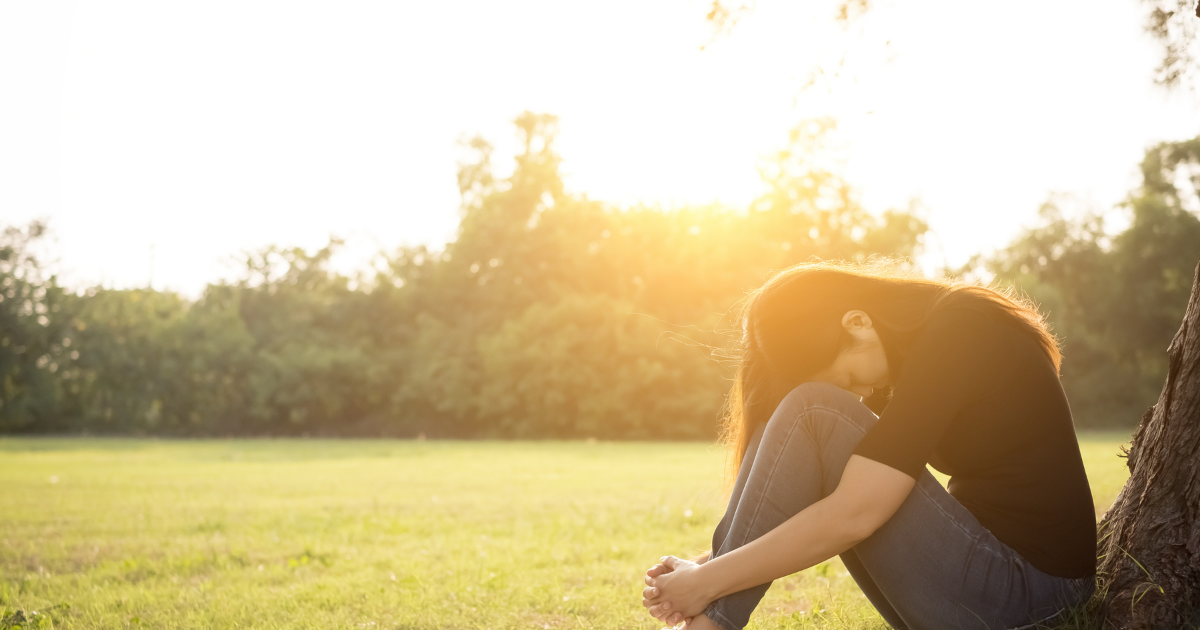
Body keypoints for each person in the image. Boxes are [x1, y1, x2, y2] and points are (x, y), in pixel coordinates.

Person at [640, 262, 1097, 630]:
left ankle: (708, 626)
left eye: (848, 377)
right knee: (809, 412)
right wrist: (705, 567)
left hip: (1029, 597)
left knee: (813, 410)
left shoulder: (961, 332)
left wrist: (705, 580)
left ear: (857, 323)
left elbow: (857, 513)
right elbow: (815, 492)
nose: (856, 393)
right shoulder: (905, 355)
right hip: (995, 582)